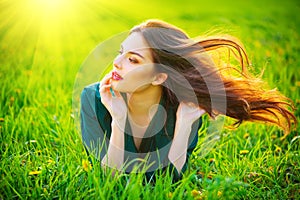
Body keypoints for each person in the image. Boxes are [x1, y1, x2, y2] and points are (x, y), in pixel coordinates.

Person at [80, 19, 296, 182]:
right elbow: (109, 179)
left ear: (159, 76)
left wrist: (184, 124)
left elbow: (170, 179)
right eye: (120, 52)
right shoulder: (94, 99)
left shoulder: (183, 108)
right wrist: (118, 118)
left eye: (133, 59)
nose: (116, 62)